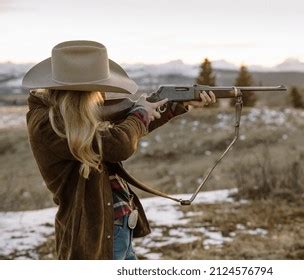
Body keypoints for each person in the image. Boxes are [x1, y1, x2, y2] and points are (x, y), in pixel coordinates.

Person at [22, 40, 216, 259]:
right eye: (97, 89)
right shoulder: (48, 124)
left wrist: (178, 105)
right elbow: (118, 143)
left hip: (116, 228)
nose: (101, 95)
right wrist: (139, 113)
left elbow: (126, 129)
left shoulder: (72, 116)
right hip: (96, 234)